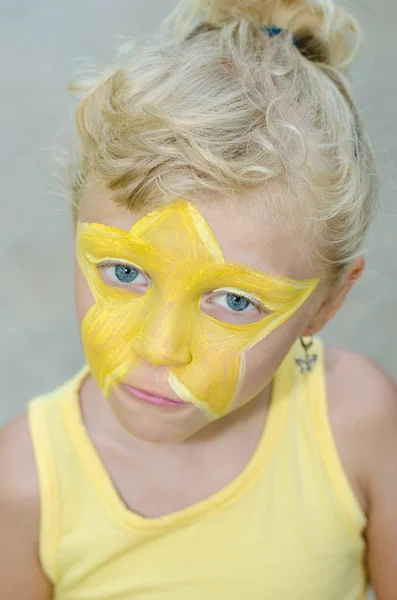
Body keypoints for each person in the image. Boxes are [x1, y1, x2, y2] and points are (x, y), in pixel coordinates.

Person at [1, 0, 396, 598]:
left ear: (326, 303)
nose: (159, 348)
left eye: (235, 301)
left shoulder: (359, 421)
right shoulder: (25, 480)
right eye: (124, 272)